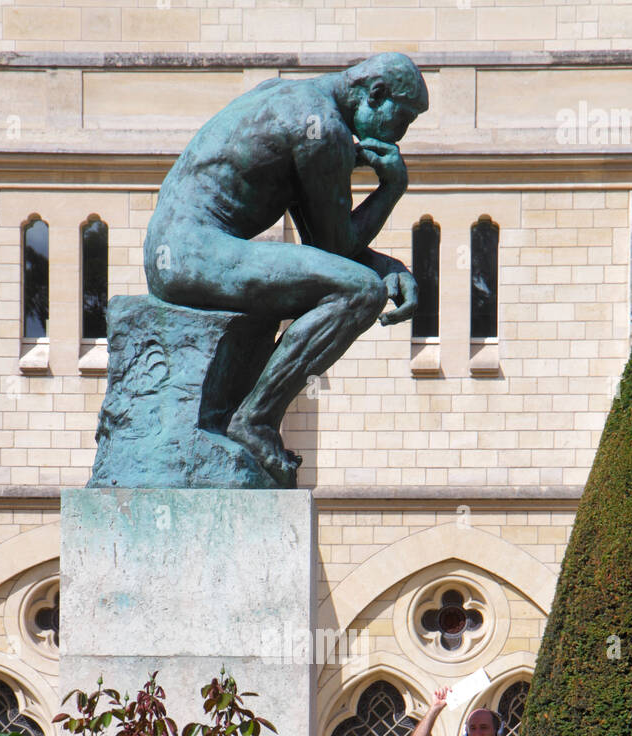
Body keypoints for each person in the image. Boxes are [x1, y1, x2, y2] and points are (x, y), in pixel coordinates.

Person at [144, 54, 429, 482]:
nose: (400, 135)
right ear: (376, 94)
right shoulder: (323, 128)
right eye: (402, 118)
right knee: (360, 293)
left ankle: (251, 416)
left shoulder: (291, 97)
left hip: (176, 247)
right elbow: (336, 248)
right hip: (192, 252)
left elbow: (325, 246)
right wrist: (392, 188)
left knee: (357, 283)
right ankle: (255, 421)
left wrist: (388, 265)